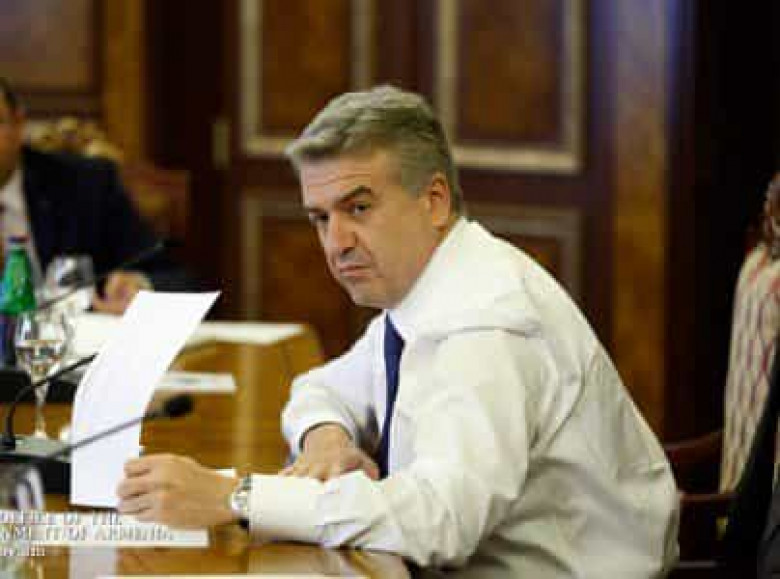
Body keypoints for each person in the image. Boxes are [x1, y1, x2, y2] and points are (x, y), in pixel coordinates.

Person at [117, 86, 680, 577]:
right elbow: (322, 386)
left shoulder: (487, 323)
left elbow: (442, 521)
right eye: (320, 218)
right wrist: (327, 440)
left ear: (433, 201)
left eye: (358, 208)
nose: (336, 243)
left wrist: (236, 497)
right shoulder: (428, 288)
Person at [0, 76, 191, 314]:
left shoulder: (84, 185)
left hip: (70, 333)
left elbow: (174, 277)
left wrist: (139, 286)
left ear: (19, 124)